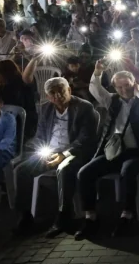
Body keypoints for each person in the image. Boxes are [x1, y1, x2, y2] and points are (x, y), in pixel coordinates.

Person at [77, 65, 139, 239]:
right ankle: (90, 216)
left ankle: (126, 214)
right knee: (85, 173)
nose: (124, 90)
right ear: (115, 88)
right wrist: (98, 73)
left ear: (134, 84)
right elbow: (95, 89)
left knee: (127, 171)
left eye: (127, 86)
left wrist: (138, 93)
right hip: (115, 151)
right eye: (119, 87)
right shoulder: (112, 100)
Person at [13, 78, 98, 237]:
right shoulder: (45, 108)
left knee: (64, 169)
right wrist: (41, 151)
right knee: (21, 170)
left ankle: (64, 216)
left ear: (69, 91)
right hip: (50, 151)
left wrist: (63, 154)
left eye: (61, 90)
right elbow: (40, 134)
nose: (58, 95)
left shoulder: (84, 108)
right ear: (48, 96)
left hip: (73, 152)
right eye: (53, 93)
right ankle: (25, 216)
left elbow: (85, 138)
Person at [0, 59, 38, 140]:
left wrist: (35, 57)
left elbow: (27, 76)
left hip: (23, 129)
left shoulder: (23, 86)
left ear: (4, 73)